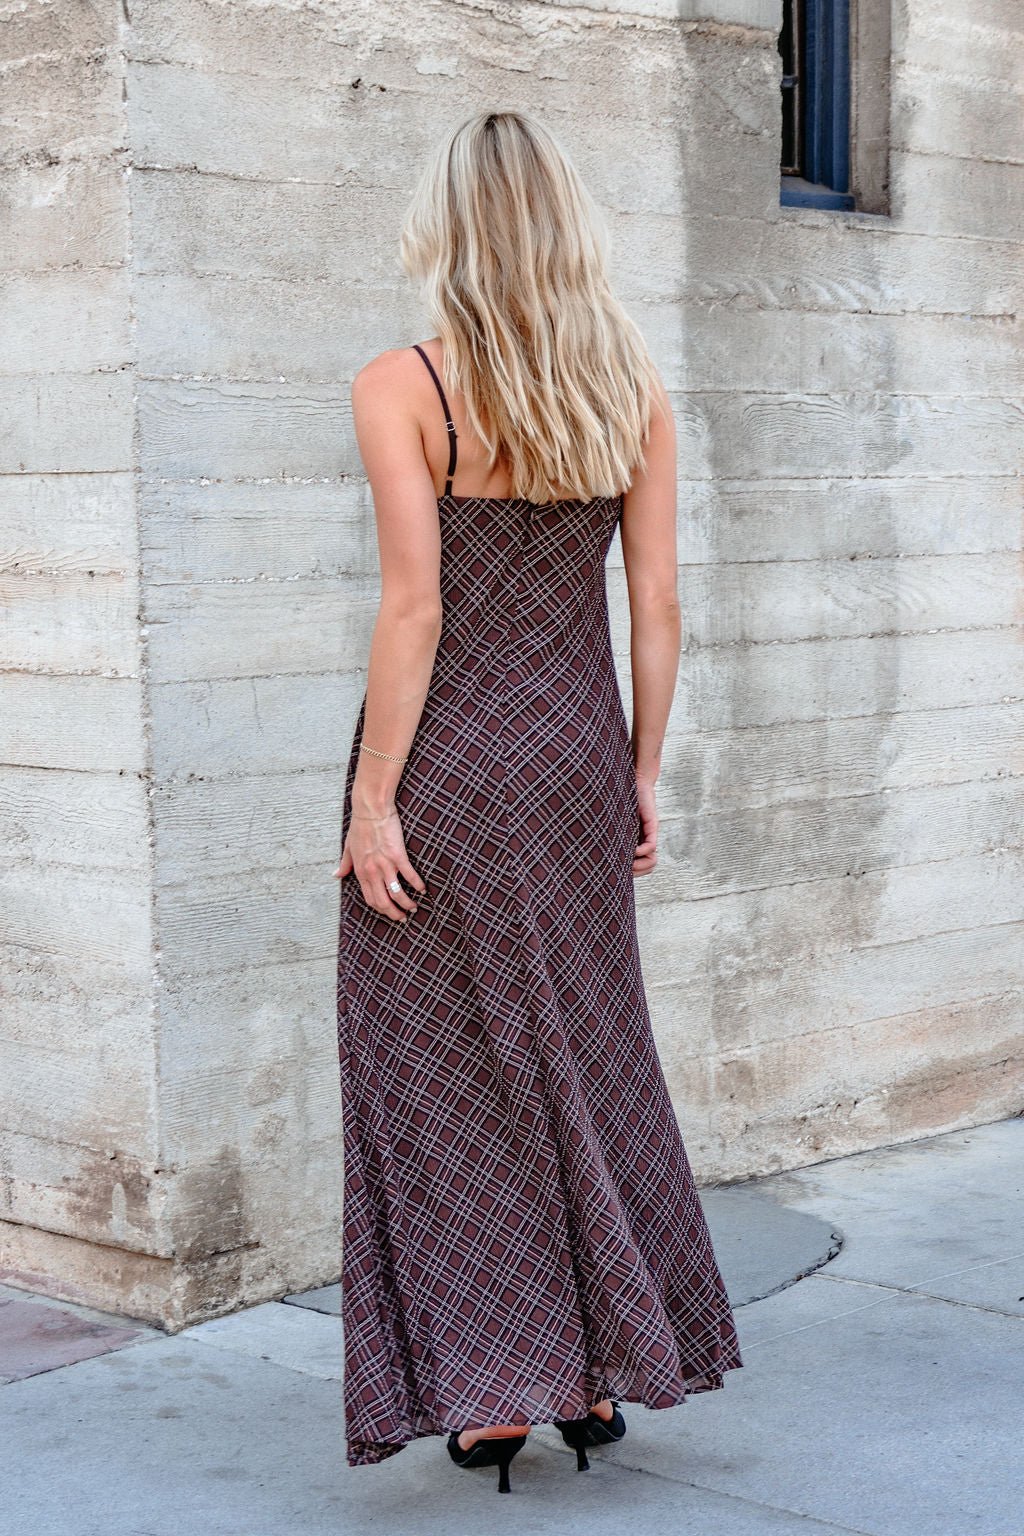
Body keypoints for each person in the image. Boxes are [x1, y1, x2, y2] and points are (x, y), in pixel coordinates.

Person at [333, 109, 742, 1493]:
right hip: (573, 760)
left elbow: (416, 608)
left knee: (446, 1075)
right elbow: (658, 601)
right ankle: (601, 1369)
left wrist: (374, 801)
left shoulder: (403, 386)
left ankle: (496, 1389)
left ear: (449, 226)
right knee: (589, 1049)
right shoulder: (629, 384)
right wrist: (640, 770)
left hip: (447, 766)